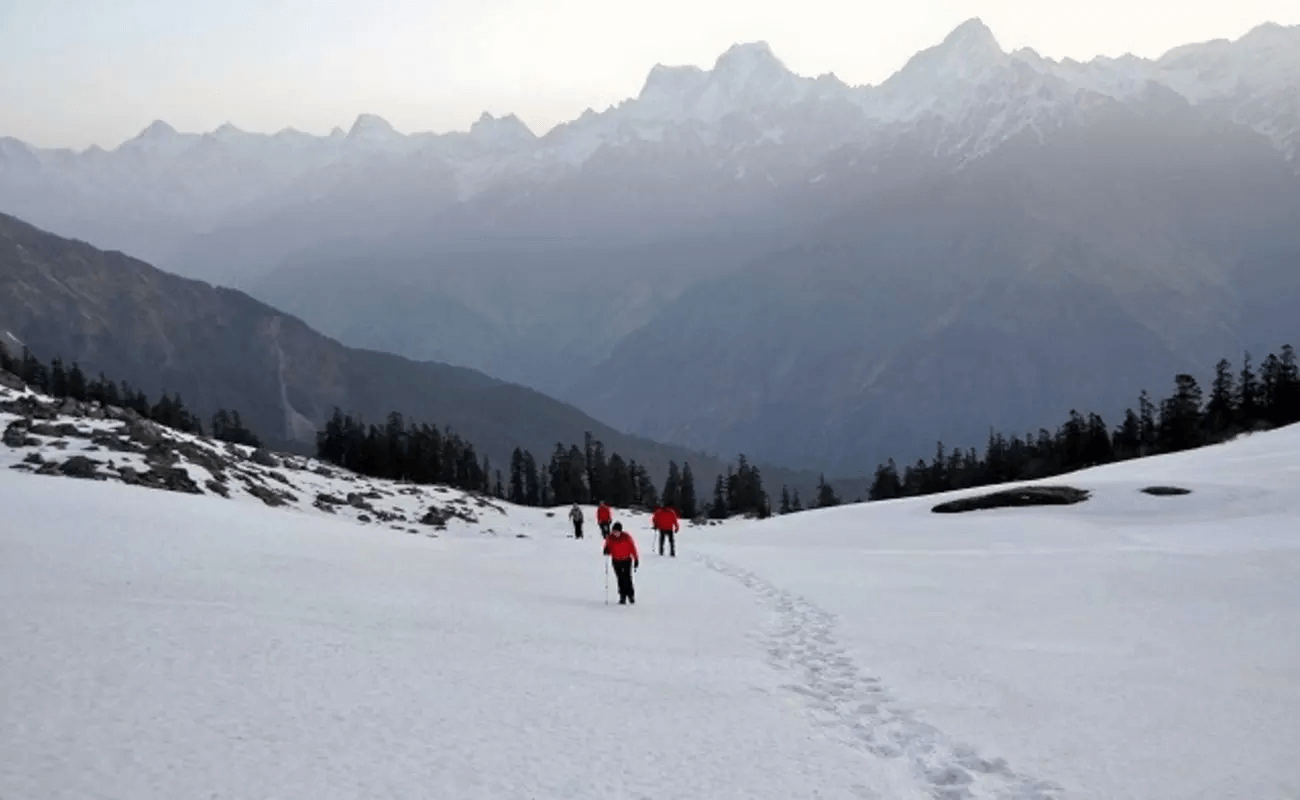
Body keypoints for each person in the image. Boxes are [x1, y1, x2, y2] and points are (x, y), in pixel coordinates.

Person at [602, 522, 639, 604]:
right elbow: (607, 547)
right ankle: (622, 596)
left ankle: (630, 595)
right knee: (620, 578)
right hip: (616, 560)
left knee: (627, 578)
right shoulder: (610, 538)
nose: (615, 533)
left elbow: (633, 548)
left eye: (617, 532)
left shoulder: (626, 537)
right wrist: (606, 550)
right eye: (614, 531)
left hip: (626, 560)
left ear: (620, 531)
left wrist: (636, 559)